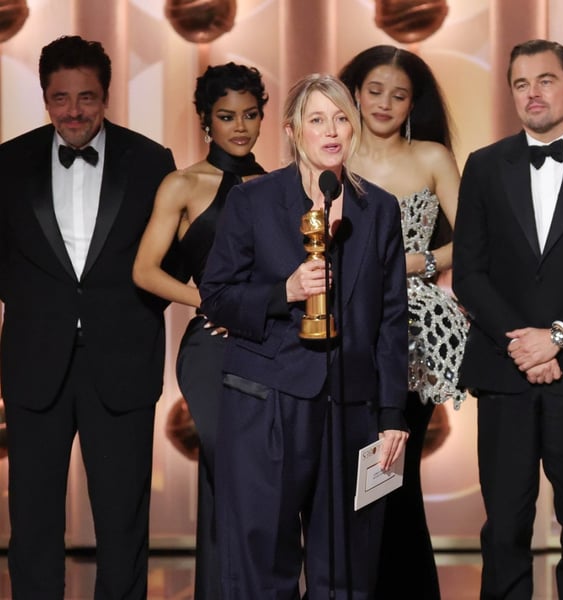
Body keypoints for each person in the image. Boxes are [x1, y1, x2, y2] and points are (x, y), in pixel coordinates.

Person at [199, 73, 409, 599]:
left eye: (341, 118)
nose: (332, 131)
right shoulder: (253, 200)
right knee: (261, 562)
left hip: (351, 406)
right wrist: (284, 291)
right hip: (266, 400)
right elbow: (216, 296)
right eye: (317, 120)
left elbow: (391, 319)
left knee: (346, 566)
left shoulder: (379, 208)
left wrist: (391, 415)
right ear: (293, 131)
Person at [0, 35, 176, 599]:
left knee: (124, 523)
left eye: (86, 97)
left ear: (106, 95)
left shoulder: (151, 161)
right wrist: (36, 307)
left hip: (124, 361)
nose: (73, 111)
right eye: (61, 98)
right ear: (44, 97)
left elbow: (170, 260)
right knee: (32, 523)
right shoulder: (7, 162)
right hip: (34, 361)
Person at [452, 39, 563, 600]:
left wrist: (558, 338)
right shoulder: (483, 165)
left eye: (545, 80)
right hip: (505, 372)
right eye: (521, 84)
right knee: (504, 528)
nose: (532, 93)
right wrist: (523, 344)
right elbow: (470, 273)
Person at [132, 62, 268, 599]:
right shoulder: (183, 184)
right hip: (211, 346)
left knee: (257, 476)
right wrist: (213, 302)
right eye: (227, 116)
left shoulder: (281, 186)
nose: (240, 127)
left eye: (250, 115)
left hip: (269, 344)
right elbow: (145, 270)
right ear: (205, 120)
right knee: (230, 465)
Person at [338, 45, 468, 599]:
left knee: (395, 469)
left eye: (399, 94)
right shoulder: (332, 149)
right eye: (374, 90)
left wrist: (422, 262)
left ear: (414, 103)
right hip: (340, 324)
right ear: (354, 93)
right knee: (344, 471)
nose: (384, 103)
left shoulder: (432, 156)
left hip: (416, 327)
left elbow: (473, 239)